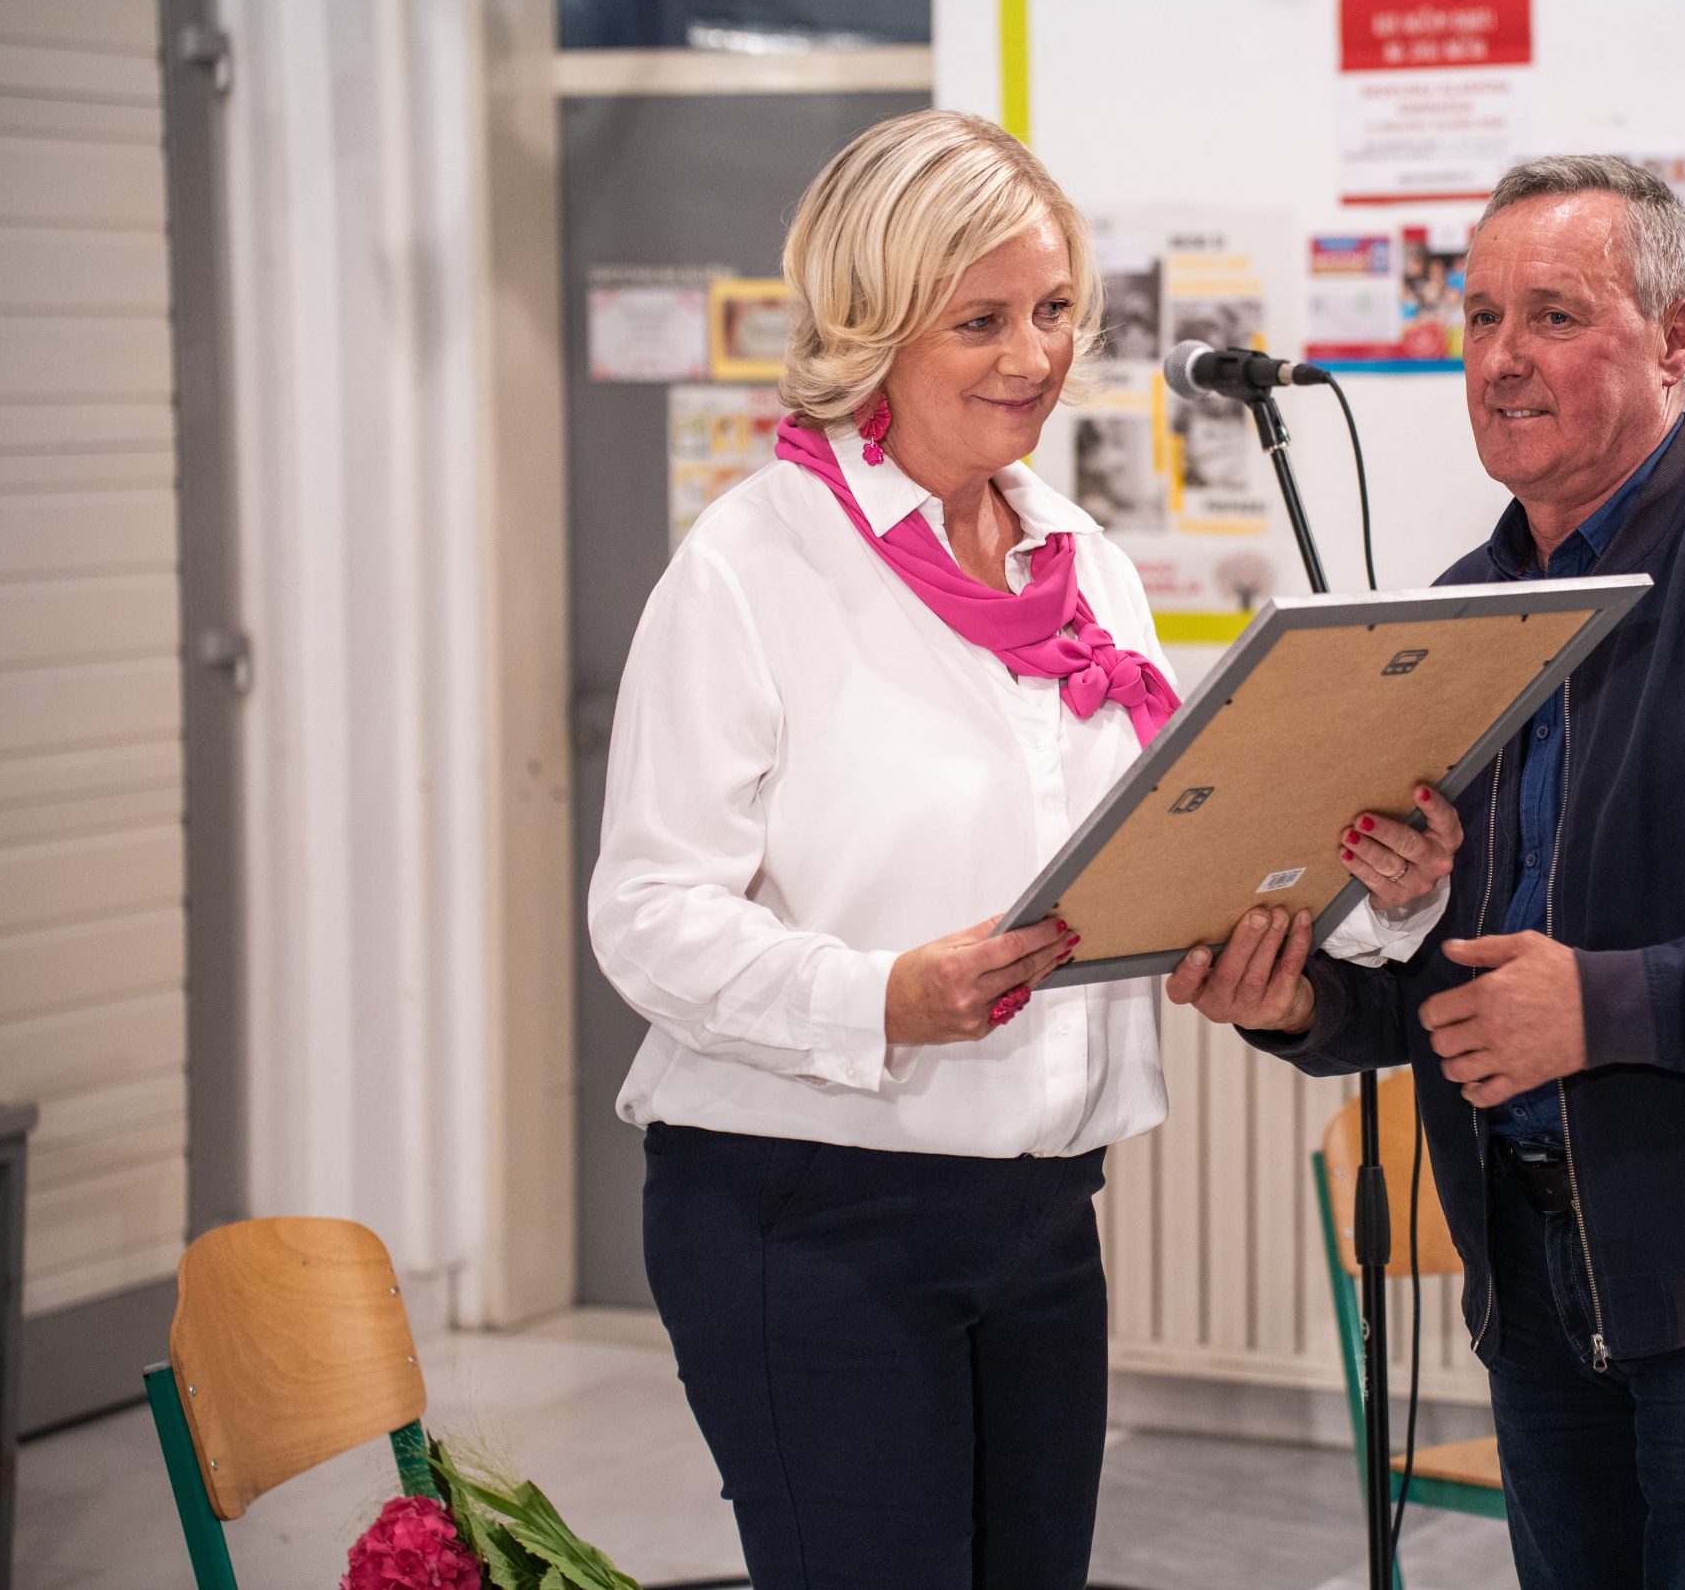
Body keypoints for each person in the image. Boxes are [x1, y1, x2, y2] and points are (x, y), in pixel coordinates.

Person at [587, 109, 1454, 1589]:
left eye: (1053, 309)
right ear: (870, 324)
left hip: (1042, 1208)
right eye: (979, 320)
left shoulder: (1083, 559)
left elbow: (1174, 836)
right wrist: (881, 995)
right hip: (809, 1208)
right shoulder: (751, 565)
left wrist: (1371, 899)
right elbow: (649, 914)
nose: (1034, 356)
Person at [1170, 155, 1685, 1588]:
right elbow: (1463, 982)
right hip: (1535, 1277)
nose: (1502, 358)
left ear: (1676, 339)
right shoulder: (1456, 614)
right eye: (1481, 318)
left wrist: (1609, 1006)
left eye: (1553, 314)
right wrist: (1302, 1002)